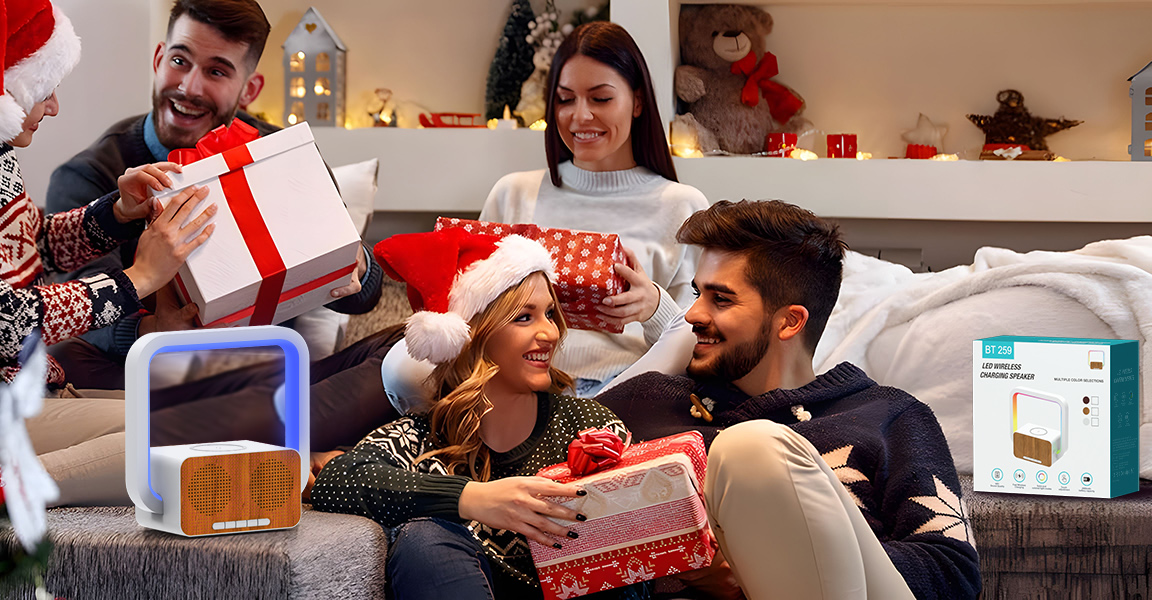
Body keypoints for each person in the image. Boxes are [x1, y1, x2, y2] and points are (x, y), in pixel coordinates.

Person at [0, 0, 226, 507]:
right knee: (179, 435)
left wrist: (115, 213)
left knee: (206, 420)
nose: (53, 107)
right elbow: (9, 322)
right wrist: (139, 279)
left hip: (19, 393)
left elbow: (32, 244)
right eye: (43, 90)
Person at [595, 200, 981, 599]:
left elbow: (952, 574)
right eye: (697, 294)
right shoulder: (645, 402)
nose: (692, 314)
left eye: (721, 299)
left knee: (750, 449)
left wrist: (760, 563)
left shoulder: (888, 416)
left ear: (790, 321)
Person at [43, 0, 383, 391]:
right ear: (158, 59)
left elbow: (363, 295)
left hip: (265, 371)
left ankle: (245, 421)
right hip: (155, 377)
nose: (189, 87)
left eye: (217, 71)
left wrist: (355, 265)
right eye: (180, 61)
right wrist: (151, 330)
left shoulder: (283, 153)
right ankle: (269, 428)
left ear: (249, 89)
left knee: (398, 355)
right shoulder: (91, 175)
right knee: (66, 360)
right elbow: (81, 310)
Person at [312, 229, 644, 600]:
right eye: (524, 317)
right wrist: (472, 498)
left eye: (550, 314)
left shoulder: (585, 423)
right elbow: (336, 482)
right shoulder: (421, 438)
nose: (550, 332)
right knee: (423, 538)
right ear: (473, 335)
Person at [478, 21, 710, 398]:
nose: (580, 116)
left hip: (626, 391)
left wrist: (653, 307)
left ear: (637, 102)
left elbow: (703, 342)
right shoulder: (512, 194)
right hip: (517, 388)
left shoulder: (683, 206)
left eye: (600, 99)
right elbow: (468, 311)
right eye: (565, 99)